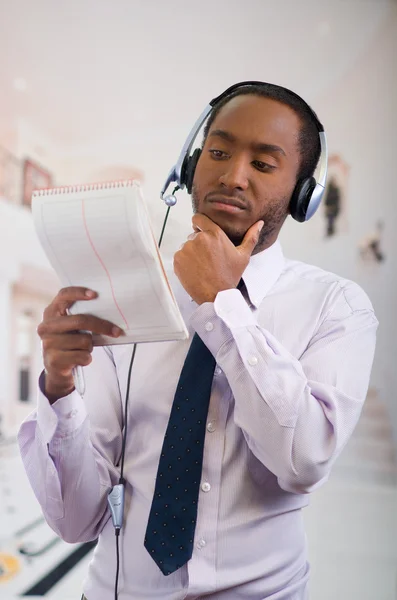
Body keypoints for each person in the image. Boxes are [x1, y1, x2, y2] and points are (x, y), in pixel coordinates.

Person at [18, 83, 378, 600]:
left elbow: (303, 461)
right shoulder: (125, 296)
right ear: (191, 165)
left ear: (303, 192)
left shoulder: (336, 306)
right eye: (219, 151)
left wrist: (221, 306)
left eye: (264, 163)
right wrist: (58, 386)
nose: (233, 176)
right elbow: (77, 520)